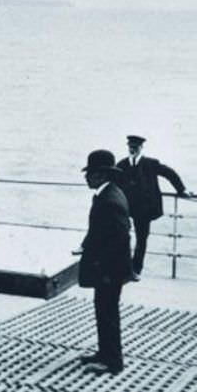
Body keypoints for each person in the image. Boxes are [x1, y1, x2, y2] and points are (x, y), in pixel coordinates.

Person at [77, 149, 132, 376]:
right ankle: (104, 353)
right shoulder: (109, 193)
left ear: (100, 175)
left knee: (108, 313)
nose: (86, 177)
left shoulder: (109, 199)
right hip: (108, 268)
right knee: (103, 311)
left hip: (109, 270)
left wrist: (107, 270)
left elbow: (120, 238)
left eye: (89, 173)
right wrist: (86, 245)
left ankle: (113, 362)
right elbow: (100, 231)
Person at [116, 135, 193, 277]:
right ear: (128, 147)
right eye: (130, 147)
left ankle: (135, 269)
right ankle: (124, 265)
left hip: (143, 210)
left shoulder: (151, 163)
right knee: (123, 236)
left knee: (141, 239)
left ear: (141, 148)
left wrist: (181, 190)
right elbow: (113, 180)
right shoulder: (122, 165)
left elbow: (170, 173)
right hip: (126, 208)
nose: (132, 150)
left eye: (135, 147)